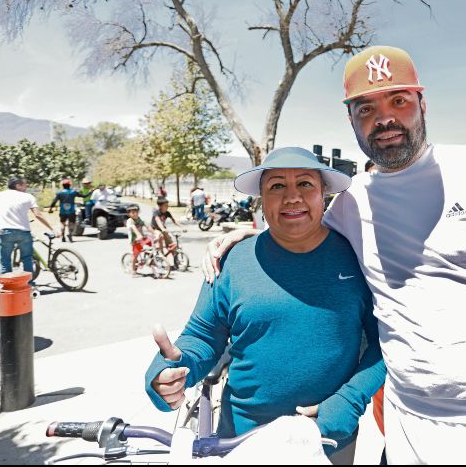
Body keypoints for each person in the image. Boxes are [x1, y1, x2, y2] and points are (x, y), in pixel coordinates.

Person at [202, 46, 466, 464]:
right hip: (405, 417)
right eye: (366, 108)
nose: (384, 118)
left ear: (422, 104)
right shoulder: (351, 203)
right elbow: (298, 230)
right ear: (352, 121)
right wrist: (250, 235)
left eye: (398, 100)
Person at [145, 147, 384, 464]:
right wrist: (174, 368)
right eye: (276, 186)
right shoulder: (232, 260)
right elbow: (203, 336)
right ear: (260, 197)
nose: (292, 198)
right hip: (242, 440)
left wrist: (348, 401)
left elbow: (385, 341)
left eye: (305, 184)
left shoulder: (360, 257)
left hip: (326, 438)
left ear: (323, 193)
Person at [0, 177, 59, 282]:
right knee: (27, 259)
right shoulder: (28, 197)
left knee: (5, 260)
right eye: (25, 185)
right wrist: (52, 228)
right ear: (18, 185)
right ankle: (29, 286)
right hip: (24, 232)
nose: (26, 187)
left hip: (5, 232)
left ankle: (8, 288)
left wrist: (0, 226)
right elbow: (38, 215)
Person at [151, 198, 183, 266]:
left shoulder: (167, 213)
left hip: (163, 230)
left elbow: (174, 221)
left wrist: (182, 227)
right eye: (165, 205)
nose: (167, 206)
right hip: (155, 229)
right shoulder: (156, 213)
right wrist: (162, 228)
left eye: (167, 205)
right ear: (160, 206)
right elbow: (158, 221)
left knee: (172, 244)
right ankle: (160, 253)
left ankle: (176, 260)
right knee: (160, 236)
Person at [48, 178, 80, 242]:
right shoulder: (73, 192)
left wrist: (51, 209)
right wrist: (89, 193)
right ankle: (70, 233)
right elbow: (83, 196)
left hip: (63, 211)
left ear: (63, 185)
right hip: (71, 211)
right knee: (72, 223)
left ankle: (63, 236)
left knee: (62, 223)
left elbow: (54, 201)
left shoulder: (59, 193)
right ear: (69, 185)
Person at [126, 204, 154, 277]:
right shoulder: (130, 221)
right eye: (133, 212)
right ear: (129, 214)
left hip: (141, 238)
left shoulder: (139, 219)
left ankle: (149, 259)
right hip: (135, 240)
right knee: (136, 254)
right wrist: (138, 235)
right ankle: (133, 270)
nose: (135, 214)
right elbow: (134, 228)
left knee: (153, 244)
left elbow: (146, 225)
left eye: (136, 212)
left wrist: (154, 232)